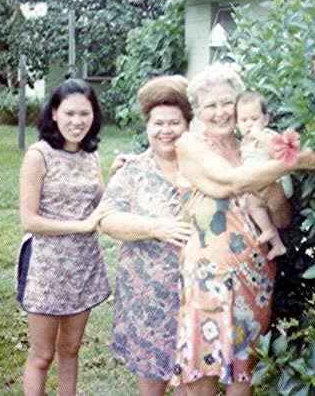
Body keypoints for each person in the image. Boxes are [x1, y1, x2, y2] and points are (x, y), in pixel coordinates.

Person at [170, 64, 315, 396]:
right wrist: (295, 161)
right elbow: (229, 183)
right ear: (197, 111)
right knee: (204, 368)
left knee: (245, 369)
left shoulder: (253, 150)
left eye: (228, 102)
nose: (220, 112)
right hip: (207, 276)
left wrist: (273, 194)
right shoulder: (190, 145)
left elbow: (281, 219)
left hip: (255, 273)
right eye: (210, 105)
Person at [16, 77, 122, 396]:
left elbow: (99, 205)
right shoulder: (39, 155)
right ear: (54, 114)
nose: (77, 122)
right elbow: (29, 220)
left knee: (71, 349)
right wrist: (81, 225)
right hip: (46, 266)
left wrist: (114, 176)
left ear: (94, 116)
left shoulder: (90, 155)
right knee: (42, 354)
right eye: (70, 113)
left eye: (84, 114)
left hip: (83, 264)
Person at [99, 75, 194, 396]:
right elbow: (108, 219)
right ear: (147, 126)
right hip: (147, 299)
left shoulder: (203, 168)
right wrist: (156, 227)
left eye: (174, 123)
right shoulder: (133, 170)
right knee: (151, 385)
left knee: (190, 383)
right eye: (158, 123)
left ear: (187, 125)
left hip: (196, 297)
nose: (166, 130)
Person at [235, 91, 292, 260]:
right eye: (244, 120)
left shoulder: (267, 135)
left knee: (252, 201)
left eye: (254, 119)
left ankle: (269, 232)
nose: (249, 124)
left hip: (277, 182)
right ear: (237, 123)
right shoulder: (244, 143)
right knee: (252, 204)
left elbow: (278, 155)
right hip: (260, 185)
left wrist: (260, 136)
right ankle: (277, 244)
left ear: (265, 119)